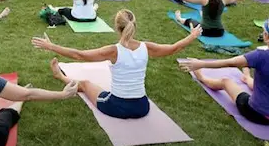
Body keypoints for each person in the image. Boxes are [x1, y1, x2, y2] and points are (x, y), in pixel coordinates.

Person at [32, 9, 203, 119]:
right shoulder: (146, 47)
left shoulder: (114, 51)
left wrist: (51, 46)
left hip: (116, 106)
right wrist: (192, 35)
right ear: (134, 25)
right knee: (98, 87)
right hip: (142, 107)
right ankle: (61, 76)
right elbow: (173, 48)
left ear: (117, 27)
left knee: (85, 84)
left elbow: (79, 55)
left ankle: (60, 76)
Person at [158, 0, 256, 37]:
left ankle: (179, 18)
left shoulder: (204, 0)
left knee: (190, 20)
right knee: (202, 14)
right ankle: (193, 18)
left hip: (205, 31)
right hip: (220, 32)